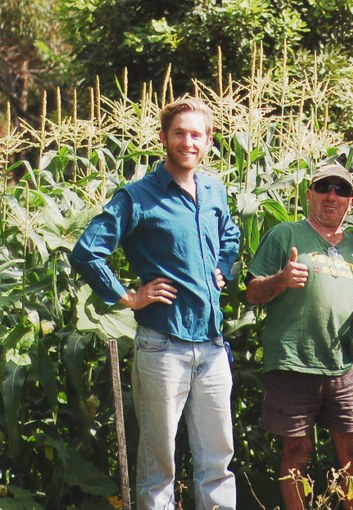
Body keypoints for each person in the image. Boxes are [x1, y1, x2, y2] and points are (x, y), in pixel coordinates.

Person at [69, 97, 240, 509]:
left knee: (217, 463)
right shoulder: (138, 197)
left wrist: (223, 268)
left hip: (213, 346)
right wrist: (129, 296)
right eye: (179, 133)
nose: (188, 141)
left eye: (196, 134)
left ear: (209, 140)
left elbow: (230, 236)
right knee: (158, 467)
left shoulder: (214, 189)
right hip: (163, 345)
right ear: (164, 138)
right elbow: (87, 251)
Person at [245, 164, 353, 510]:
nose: (332, 195)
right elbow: (252, 293)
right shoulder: (285, 235)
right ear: (309, 194)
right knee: (296, 451)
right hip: (293, 360)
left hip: (342, 364)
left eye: (341, 190)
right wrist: (281, 279)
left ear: (351, 202)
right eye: (324, 187)